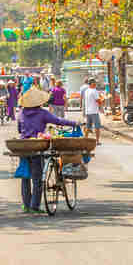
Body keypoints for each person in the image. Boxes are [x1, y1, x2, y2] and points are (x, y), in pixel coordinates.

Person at [16, 86, 81, 214]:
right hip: (37, 146)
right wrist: (75, 123)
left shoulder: (21, 113)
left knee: (25, 177)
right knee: (37, 178)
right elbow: (58, 121)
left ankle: (26, 205)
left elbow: (19, 129)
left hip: (23, 146)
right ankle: (34, 206)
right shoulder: (42, 113)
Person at [81, 77, 103, 144]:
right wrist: (103, 100)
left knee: (88, 127)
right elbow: (98, 101)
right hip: (94, 111)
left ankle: (85, 139)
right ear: (92, 83)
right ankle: (97, 141)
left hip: (88, 111)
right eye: (95, 83)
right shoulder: (94, 91)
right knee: (97, 127)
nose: (95, 84)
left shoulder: (87, 91)